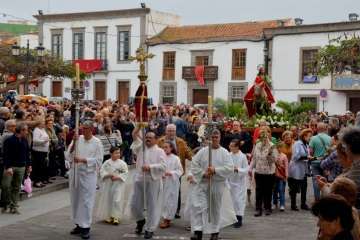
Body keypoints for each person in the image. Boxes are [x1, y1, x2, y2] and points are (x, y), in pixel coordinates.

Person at [190, 129, 233, 240]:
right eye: (212, 137)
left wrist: (215, 170)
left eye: (216, 137)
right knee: (199, 206)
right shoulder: (203, 151)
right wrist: (203, 173)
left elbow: (229, 168)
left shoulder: (225, 153)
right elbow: (194, 164)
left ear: (219, 138)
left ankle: (215, 231)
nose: (214, 139)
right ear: (209, 138)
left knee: (215, 209)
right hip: (203, 183)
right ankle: (198, 230)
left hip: (217, 184)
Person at [66, 120, 103, 240]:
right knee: (75, 199)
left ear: (91, 129)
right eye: (83, 128)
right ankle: (78, 224)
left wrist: (83, 160)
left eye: (86, 128)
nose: (83, 130)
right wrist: (74, 143)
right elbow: (69, 154)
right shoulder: (78, 138)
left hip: (88, 175)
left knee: (86, 201)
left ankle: (86, 227)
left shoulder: (97, 143)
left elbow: (99, 160)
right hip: (75, 173)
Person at [130, 125, 166, 239]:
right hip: (139, 179)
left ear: (156, 140)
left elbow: (163, 166)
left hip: (153, 180)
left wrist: (150, 167)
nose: (148, 139)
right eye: (146, 137)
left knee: (152, 206)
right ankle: (140, 220)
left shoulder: (160, 151)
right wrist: (140, 124)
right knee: (135, 205)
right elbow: (134, 135)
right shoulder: (141, 147)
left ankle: (149, 228)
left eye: (151, 137)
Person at [157, 124, 192, 218]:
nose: (171, 132)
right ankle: (164, 210)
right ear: (166, 131)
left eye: (173, 131)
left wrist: (196, 159)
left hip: (177, 169)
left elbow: (188, 153)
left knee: (176, 191)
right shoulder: (160, 141)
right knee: (163, 191)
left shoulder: (180, 141)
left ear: (175, 131)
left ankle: (176, 210)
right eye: (169, 131)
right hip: (163, 171)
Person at [2, 122, 32, 214]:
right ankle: (6, 203)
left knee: (16, 187)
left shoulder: (24, 140)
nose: (27, 132)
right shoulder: (9, 140)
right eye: (26, 130)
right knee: (6, 186)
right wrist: (8, 167)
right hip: (10, 167)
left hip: (21, 166)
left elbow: (27, 154)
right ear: (21, 130)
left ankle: (14, 206)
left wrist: (29, 166)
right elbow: (5, 155)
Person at [250, 126, 278, 216]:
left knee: (268, 191)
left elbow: (274, 160)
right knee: (258, 191)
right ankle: (258, 209)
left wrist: (270, 154)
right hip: (259, 171)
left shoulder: (272, 145)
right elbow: (254, 158)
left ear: (269, 135)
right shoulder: (257, 145)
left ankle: (267, 208)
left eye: (266, 133)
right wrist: (250, 169)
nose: (264, 136)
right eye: (262, 134)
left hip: (269, 172)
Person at [96, 146, 128, 225]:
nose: (118, 154)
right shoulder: (107, 162)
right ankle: (109, 215)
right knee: (109, 199)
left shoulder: (122, 163)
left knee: (117, 199)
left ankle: (116, 216)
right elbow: (102, 171)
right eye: (116, 153)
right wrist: (108, 175)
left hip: (118, 184)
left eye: (119, 153)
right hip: (109, 183)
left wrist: (118, 177)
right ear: (111, 153)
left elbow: (125, 173)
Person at [159, 141, 183, 229]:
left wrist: (171, 173)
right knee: (162, 200)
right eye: (163, 147)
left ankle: (167, 219)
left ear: (171, 148)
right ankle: (164, 217)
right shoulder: (160, 158)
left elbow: (180, 171)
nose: (164, 149)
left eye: (166, 147)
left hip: (172, 183)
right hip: (162, 182)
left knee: (170, 200)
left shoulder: (175, 158)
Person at [288, 128, 313, 211]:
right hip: (296, 168)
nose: (310, 138)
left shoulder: (306, 144)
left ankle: (303, 204)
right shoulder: (297, 144)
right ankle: (293, 204)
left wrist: (309, 158)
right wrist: (306, 157)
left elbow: (306, 155)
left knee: (304, 186)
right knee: (294, 187)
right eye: (309, 136)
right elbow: (295, 157)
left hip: (303, 168)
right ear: (304, 136)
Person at [228, 139, 249, 228]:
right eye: (230, 145)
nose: (230, 147)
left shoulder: (242, 156)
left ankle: (239, 219)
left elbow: (246, 169)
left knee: (238, 201)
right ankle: (232, 218)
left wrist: (238, 169)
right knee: (232, 201)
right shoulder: (229, 155)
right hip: (231, 182)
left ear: (237, 147)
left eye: (232, 146)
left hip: (239, 183)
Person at [310, 122, 332, 201]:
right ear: (325, 129)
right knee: (325, 181)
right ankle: (325, 199)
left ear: (317, 129)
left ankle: (317, 200)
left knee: (316, 180)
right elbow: (331, 151)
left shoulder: (313, 138)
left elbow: (311, 152)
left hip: (315, 162)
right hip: (326, 162)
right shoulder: (330, 138)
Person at [31, 119, 50, 188]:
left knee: (42, 166)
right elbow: (35, 141)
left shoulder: (42, 129)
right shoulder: (36, 130)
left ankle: (40, 180)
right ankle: (36, 182)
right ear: (38, 123)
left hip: (43, 151)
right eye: (42, 122)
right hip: (38, 151)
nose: (44, 124)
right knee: (38, 167)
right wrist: (44, 141)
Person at [272, 142, 288, 211]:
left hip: (281, 175)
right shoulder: (273, 156)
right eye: (278, 147)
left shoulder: (284, 156)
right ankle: (274, 203)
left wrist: (286, 175)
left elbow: (287, 166)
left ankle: (282, 204)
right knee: (274, 190)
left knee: (281, 190)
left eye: (281, 147)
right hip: (274, 175)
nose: (279, 149)